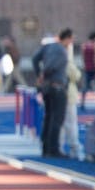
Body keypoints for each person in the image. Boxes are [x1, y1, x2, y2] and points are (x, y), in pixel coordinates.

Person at [32, 29, 73, 158]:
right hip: (57, 86)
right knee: (57, 118)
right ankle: (53, 149)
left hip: (47, 88)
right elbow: (51, 67)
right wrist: (44, 74)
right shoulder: (61, 50)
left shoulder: (48, 47)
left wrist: (38, 73)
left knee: (48, 117)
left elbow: (34, 59)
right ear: (67, 38)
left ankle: (45, 147)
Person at [60, 46, 83, 160]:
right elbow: (76, 75)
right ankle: (74, 147)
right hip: (69, 95)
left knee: (62, 123)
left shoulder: (55, 61)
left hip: (60, 95)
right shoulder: (67, 62)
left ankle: (60, 147)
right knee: (71, 123)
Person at [80, 31, 95, 111]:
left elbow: (83, 58)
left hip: (87, 68)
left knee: (85, 87)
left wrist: (85, 66)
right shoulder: (94, 46)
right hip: (93, 69)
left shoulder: (84, 46)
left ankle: (82, 103)